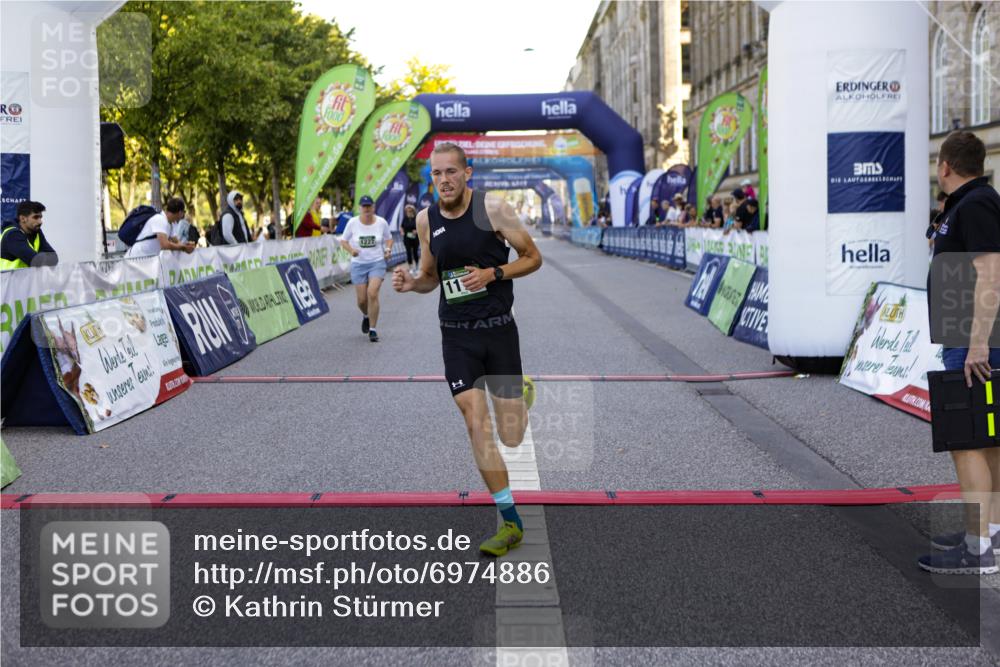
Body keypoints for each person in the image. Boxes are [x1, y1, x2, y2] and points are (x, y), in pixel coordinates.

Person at [392, 142, 542, 557]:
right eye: (436, 174)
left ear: (467, 173)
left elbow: (532, 257)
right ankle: (510, 521)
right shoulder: (426, 220)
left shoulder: (493, 209)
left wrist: (494, 273)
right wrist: (411, 285)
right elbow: (429, 278)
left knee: (512, 436)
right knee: (476, 422)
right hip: (456, 334)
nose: (443, 180)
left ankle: (522, 393)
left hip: (499, 331)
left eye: (451, 172)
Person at [920, 130, 1000, 575]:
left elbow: (991, 273)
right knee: (986, 438)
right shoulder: (964, 204)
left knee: (966, 441)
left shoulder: (979, 203)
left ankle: (978, 547)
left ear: (945, 166)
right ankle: (990, 532)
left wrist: (977, 343)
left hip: (974, 340)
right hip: (967, 335)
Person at [341, 195, 392, 342]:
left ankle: (373, 329)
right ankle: (366, 315)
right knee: (362, 300)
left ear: (373, 207)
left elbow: (389, 238)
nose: (367, 209)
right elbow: (343, 241)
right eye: (364, 206)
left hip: (377, 262)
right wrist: (352, 251)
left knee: (372, 293)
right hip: (358, 264)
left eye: (369, 206)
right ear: (359, 208)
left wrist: (388, 249)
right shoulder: (353, 223)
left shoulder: (381, 222)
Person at [126, 197, 196, 258]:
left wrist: (187, 245)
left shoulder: (169, 224)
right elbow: (165, 245)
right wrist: (183, 248)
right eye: (184, 212)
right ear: (180, 212)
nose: (182, 218)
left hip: (147, 259)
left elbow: (177, 242)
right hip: (136, 258)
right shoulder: (160, 220)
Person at [0, 201, 58, 270]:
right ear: (23, 219)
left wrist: (39, 258)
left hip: (25, 279)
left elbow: (54, 258)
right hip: (6, 280)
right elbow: (35, 261)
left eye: (40, 217)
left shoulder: (36, 231)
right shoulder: (12, 235)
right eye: (35, 217)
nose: (40, 222)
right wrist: (40, 258)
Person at [400, 204, 420, 274]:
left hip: (415, 238)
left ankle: (417, 267)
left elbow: (420, 227)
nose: (408, 212)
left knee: (415, 253)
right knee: (408, 253)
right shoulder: (405, 218)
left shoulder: (416, 218)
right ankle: (411, 268)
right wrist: (402, 231)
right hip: (407, 238)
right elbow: (402, 226)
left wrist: (416, 231)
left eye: (410, 210)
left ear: (413, 211)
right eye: (407, 211)